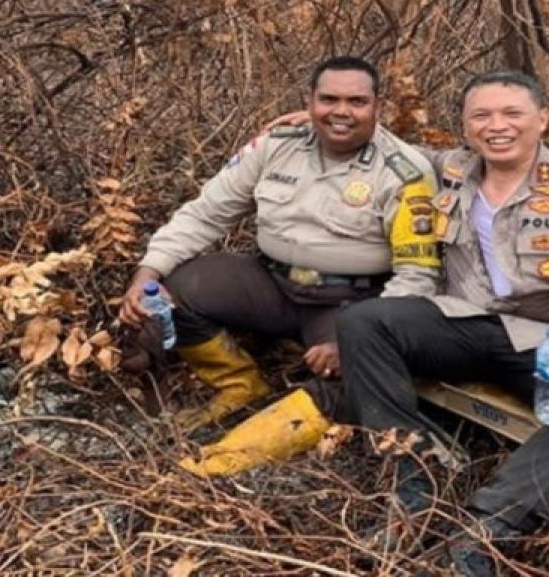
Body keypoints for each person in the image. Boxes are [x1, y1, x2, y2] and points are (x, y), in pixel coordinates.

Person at [335, 70, 549, 576]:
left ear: (542, 120)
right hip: (461, 321)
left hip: (546, 340)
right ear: (465, 125)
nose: (497, 126)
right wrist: (310, 119)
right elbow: (374, 137)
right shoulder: (448, 169)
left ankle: (488, 527)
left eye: (512, 114)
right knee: (364, 323)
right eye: (482, 115)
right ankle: (415, 481)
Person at [117, 56, 441, 467]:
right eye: (329, 99)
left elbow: (417, 276)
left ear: (378, 105)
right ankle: (240, 386)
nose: (341, 112)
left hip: (350, 303)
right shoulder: (275, 146)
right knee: (177, 288)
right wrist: (147, 273)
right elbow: (206, 213)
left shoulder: (405, 172)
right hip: (273, 284)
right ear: (309, 100)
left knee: (359, 373)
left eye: (357, 101)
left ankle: (225, 462)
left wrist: (357, 340)